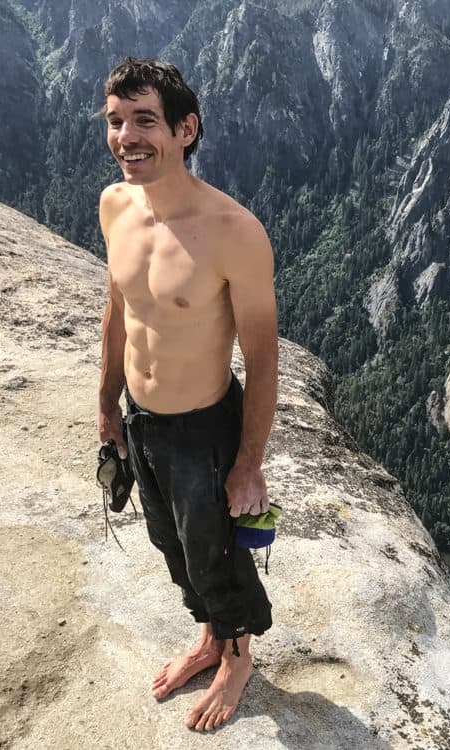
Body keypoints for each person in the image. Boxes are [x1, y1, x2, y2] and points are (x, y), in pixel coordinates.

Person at [96, 57, 278, 733]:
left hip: (204, 428)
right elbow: (119, 309)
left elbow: (262, 358)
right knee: (170, 543)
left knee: (217, 552)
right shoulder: (115, 205)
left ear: (186, 129)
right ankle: (209, 636)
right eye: (115, 121)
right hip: (143, 422)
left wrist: (248, 463)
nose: (126, 137)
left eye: (145, 120)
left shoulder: (233, 232)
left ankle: (237, 660)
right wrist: (107, 404)